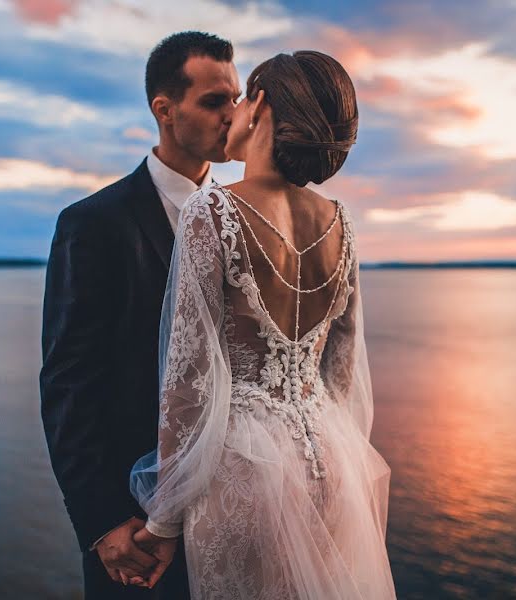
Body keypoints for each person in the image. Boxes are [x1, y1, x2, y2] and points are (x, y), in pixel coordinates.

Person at [127, 50, 398, 599]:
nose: (233, 112)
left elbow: (188, 384)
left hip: (244, 472)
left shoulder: (213, 211)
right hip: (332, 462)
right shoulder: (340, 222)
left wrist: (163, 520)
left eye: (244, 97)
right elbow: (342, 378)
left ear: (263, 106)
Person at [39, 31, 241, 599]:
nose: (232, 115)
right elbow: (68, 380)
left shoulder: (247, 219)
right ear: (164, 109)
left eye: (235, 99)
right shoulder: (93, 223)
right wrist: (102, 521)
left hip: (237, 510)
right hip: (137, 529)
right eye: (212, 101)